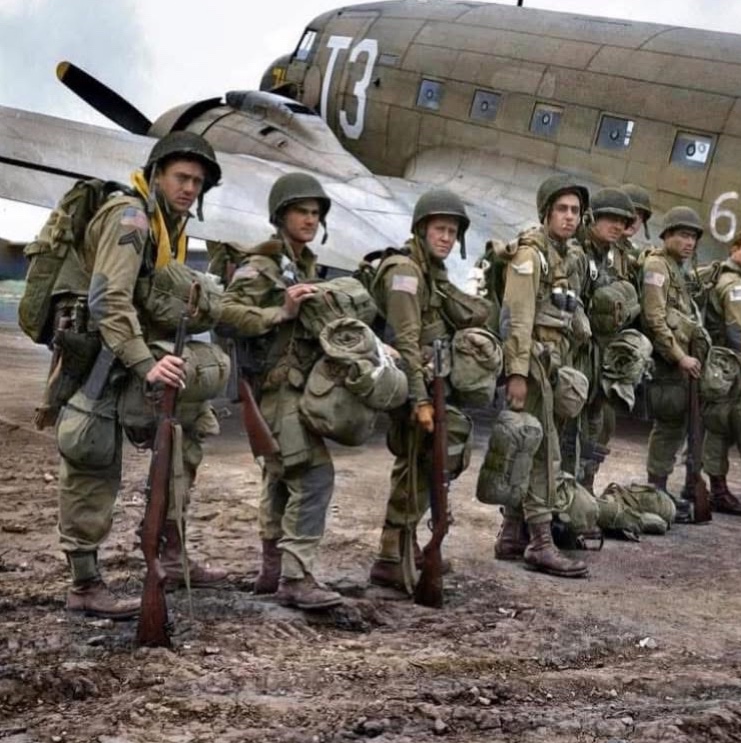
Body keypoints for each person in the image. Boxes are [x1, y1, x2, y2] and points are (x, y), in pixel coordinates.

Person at [57, 132, 227, 619]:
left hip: (132, 355)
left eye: (198, 181)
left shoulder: (171, 225)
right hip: (101, 360)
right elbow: (107, 300)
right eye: (181, 177)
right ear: (156, 175)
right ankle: (85, 583)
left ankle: (169, 551)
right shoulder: (131, 216)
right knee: (90, 458)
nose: (190, 188)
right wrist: (146, 361)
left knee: (190, 428)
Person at [219, 172, 342, 610]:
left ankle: (272, 571)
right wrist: (280, 313)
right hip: (273, 391)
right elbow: (225, 313)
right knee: (313, 475)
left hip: (294, 388)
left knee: (279, 477)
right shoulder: (261, 266)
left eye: (315, 213)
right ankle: (296, 576)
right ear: (280, 216)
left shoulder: (302, 264)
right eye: (301, 212)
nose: (309, 220)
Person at [365, 189, 475, 589]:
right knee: (414, 464)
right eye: (440, 229)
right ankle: (391, 555)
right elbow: (407, 341)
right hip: (412, 385)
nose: (447, 238)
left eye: (453, 232)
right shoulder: (406, 272)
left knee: (425, 464)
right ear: (422, 229)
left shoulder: (433, 273)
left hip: (429, 383)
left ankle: (400, 548)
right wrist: (421, 400)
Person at [493, 175, 592, 577]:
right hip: (531, 367)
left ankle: (511, 534)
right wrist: (516, 374)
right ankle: (541, 544)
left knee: (530, 448)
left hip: (553, 366)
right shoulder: (530, 257)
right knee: (542, 454)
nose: (570, 217)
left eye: (575, 211)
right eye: (562, 209)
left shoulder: (567, 257)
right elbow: (516, 319)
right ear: (546, 213)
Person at [641, 206, 707, 511]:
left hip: (681, 363)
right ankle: (656, 489)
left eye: (693, 236)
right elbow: (654, 318)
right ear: (666, 235)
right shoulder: (657, 266)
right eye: (682, 234)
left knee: (679, 425)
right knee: (668, 425)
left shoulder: (679, 269)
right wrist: (680, 357)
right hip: (668, 362)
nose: (689, 242)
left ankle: (663, 489)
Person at [576, 187, 638, 492]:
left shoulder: (609, 258)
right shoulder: (577, 253)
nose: (618, 226)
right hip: (575, 359)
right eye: (610, 219)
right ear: (592, 218)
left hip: (597, 361)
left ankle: (580, 494)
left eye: (622, 221)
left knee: (596, 427)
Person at [701, 229, 741, 515]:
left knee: (718, 427)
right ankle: (717, 490)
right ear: (733, 250)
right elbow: (739, 332)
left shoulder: (728, 279)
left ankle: (712, 487)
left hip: (721, 365)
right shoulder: (734, 285)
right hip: (727, 367)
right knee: (718, 428)